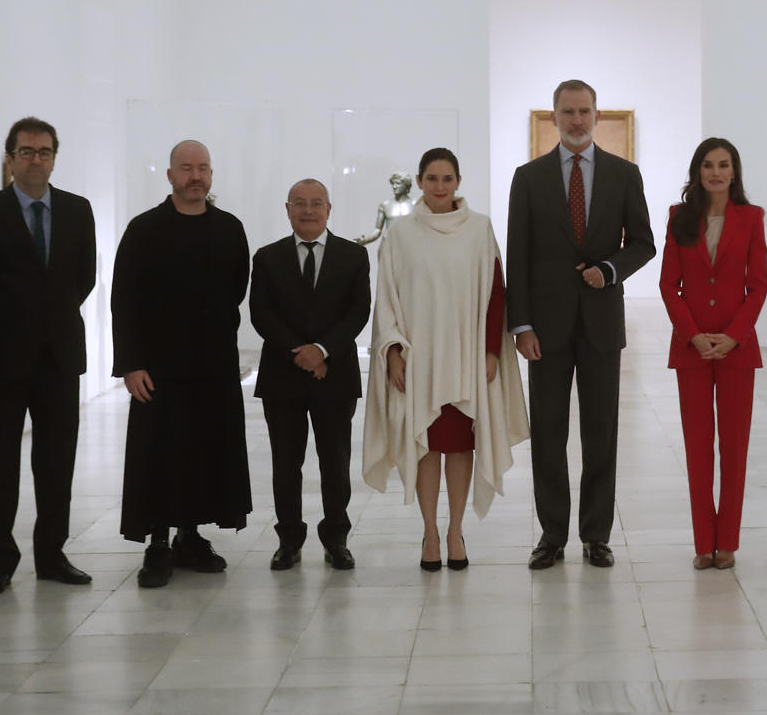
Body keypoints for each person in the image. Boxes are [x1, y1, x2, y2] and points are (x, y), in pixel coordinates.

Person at [507, 80, 656, 569]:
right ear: (554, 117)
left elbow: (642, 242)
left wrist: (609, 270)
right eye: (567, 111)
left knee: (601, 433)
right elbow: (519, 256)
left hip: (600, 326)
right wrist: (521, 325)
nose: (576, 120)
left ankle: (596, 535)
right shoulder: (527, 179)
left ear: (596, 115)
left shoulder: (623, 174)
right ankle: (551, 535)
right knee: (548, 434)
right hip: (545, 331)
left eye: (584, 111)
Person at [366, 149, 530, 569]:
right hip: (421, 357)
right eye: (432, 178)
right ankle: (430, 534)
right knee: (426, 447)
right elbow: (386, 295)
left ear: (459, 182)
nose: (440, 186)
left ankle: (455, 530)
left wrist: (492, 349)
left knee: (460, 447)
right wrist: (394, 351)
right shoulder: (401, 233)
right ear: (420, 181)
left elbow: (496, 291)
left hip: (467, 353)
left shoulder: (478, 229)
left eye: (448, 178)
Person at [0, 117, 97, 597]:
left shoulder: (78, 211)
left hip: (60, 355)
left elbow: (85, 278)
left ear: (55, 157)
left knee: (56, 462)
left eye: (44, 151)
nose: (35, 160)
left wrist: (49, 319)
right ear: (10, 158)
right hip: (1, 359)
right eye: (26, 151)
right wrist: (1, 325)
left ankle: (52, 555)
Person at [113, 140, 252, 588]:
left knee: (206, 451)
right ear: (170, 175)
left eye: (204, 168)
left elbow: (235, 289)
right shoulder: (145, 229)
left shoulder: (230, 229)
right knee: (160, 452)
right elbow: (124, 301)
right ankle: (157, 543)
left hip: (212, 365)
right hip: (159, 368)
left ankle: (190, 537)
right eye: (187, 168)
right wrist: (131, 364)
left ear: (211, 175)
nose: (196, 176)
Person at [250, 178, 371, 571]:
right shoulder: (267, 258)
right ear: (287, 209)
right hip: (282, 377)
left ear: (329, 209)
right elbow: (261, 314)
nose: (308, 210)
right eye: (299, 203)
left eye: (316, 203)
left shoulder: (354, 257)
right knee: (286, 463)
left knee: (334, 463)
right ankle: (289, 539)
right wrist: (299, 352)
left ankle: (336, 539)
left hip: (334, 375)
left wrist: (321, 351)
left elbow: (358, 311)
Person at [659, 138, 767, 569]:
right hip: (693, 350)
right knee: (697, 447)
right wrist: (694, 334)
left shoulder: (751, 218)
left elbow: (757, 285)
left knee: (735, 449)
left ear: (735, 171)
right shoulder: (679, 217)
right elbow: (669, 284)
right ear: (697, 171)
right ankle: (704, 542)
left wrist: (734, 335)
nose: (716, 173)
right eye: (708, 165)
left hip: (737, 350)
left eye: (724, 165)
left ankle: (729, 544)